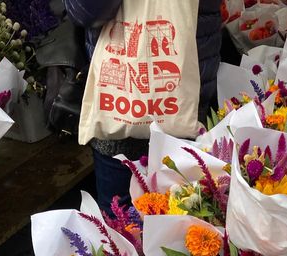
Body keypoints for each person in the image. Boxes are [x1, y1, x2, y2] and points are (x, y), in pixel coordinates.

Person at [64, 0, 222, 213]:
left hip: (122, 112)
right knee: (188, 223)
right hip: (186, 99)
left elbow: (87, 11)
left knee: (122, 228)